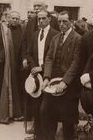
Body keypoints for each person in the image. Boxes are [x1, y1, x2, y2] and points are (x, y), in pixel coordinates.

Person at [40, 11, 81, 140]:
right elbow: (49, 58)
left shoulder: (78, 39)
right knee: (45, 112)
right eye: (59, 22)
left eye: (65, 21)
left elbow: (76, 62)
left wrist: (65, 82)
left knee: (67, 118)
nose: (62, 24)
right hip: (52, 84)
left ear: (71, 22)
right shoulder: (55, 38)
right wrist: (46, 77)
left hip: (69, 84)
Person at [25, 10, 59, 140]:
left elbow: (56, 58)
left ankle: (48, 136)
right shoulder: (34, 35)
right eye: (38, 19)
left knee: (47, 108)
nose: (40, 21)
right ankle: (37, 135)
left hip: (49, 75)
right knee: (36, 106)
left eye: (43, 18)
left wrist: (42, 68)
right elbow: (28, 53)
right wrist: (34, 67)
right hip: (36, 75)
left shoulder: (55, 35)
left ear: (49, 19)